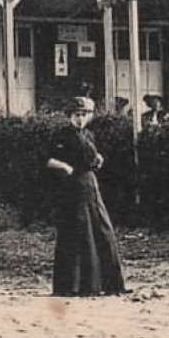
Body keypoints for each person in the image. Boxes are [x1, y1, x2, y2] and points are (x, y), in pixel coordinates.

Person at [44, 96, 126, 297]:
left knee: (103, 231)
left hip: (91, 186)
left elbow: (92, 158)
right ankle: (76, 285)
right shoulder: (61, 135)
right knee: (78, 233)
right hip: (73, 188)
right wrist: (63, 166)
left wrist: (99, 159)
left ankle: (109, 283)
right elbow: (47, 159)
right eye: (76, 115)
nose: (80, 119)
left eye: (84, 115)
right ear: (70, 116)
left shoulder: (89, 135)